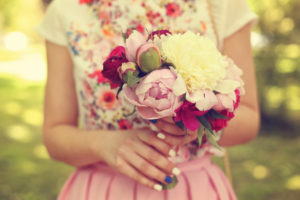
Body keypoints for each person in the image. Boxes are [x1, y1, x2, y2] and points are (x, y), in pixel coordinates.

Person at [36, 0, 260, 199]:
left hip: (193, 189)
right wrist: (106, 144)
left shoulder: (220, 5)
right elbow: (55, 134)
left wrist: (197, 124)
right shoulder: (66, 9)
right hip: (103, 189)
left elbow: (249, 119)